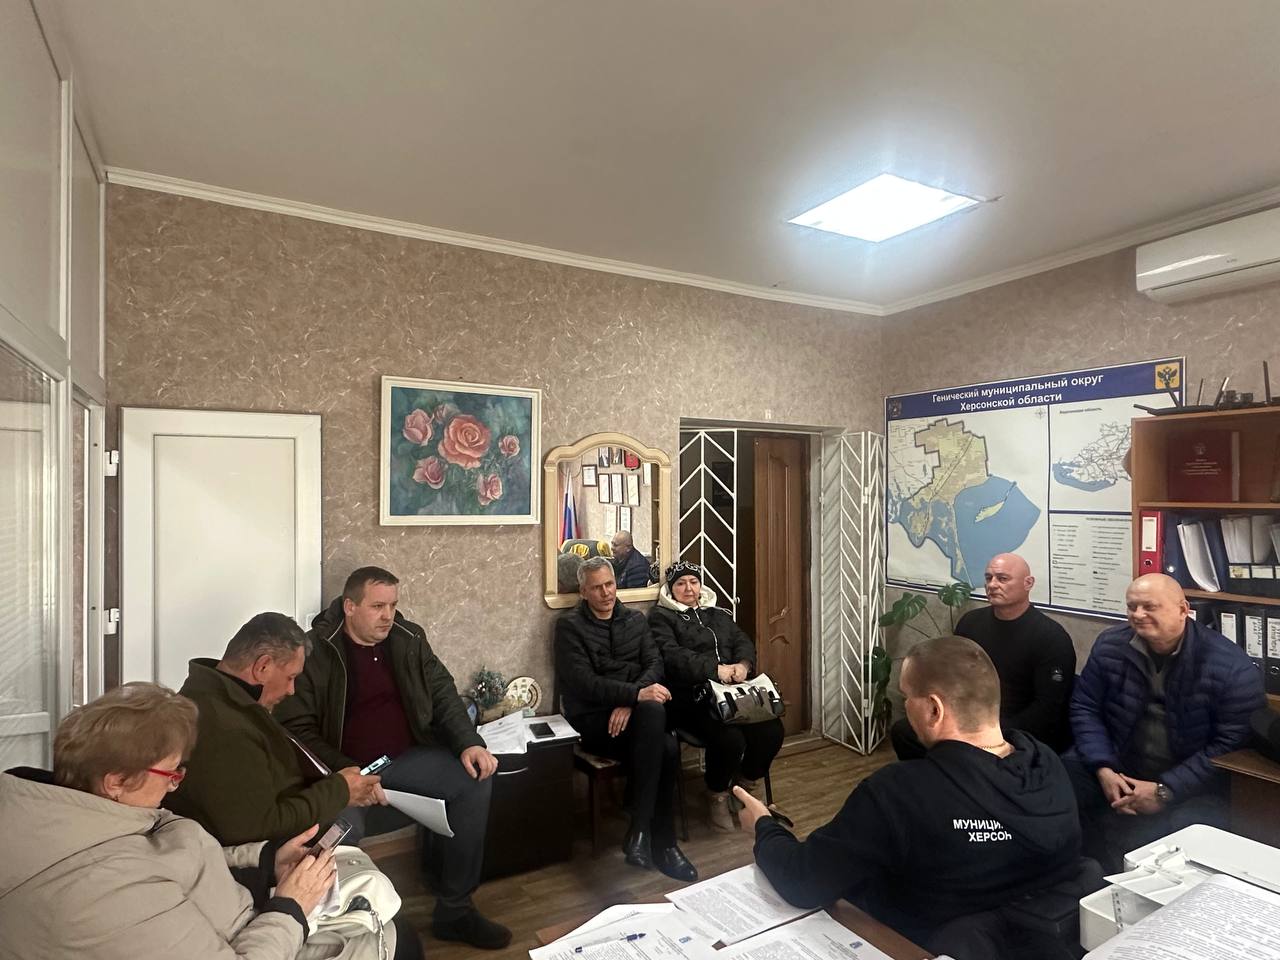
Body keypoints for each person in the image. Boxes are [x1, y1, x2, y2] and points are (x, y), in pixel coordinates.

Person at [0, 682, 423, 960]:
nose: (176, 786)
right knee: (398, 940)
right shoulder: (106, 893)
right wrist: (291, 906)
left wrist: (266, 860)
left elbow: (173, 858)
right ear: (117, 781)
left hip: (242, 915)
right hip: (252, 937)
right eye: (171, 773)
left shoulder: (70, 813)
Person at [737, 636, 1080, 957]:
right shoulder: (1047, 764)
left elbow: (802, 881)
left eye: (906, 698)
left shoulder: (897, 793)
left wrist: (764, 827)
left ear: (934, 709)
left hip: (906, 944)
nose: (905, 708)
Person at [275, 566, 511, 951]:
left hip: (404, 759)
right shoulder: (317, 650)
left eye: (393, 605)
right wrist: (348, 773)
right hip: (344, 771)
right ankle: (342, 930)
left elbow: (442, 692)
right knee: (338, 832)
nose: (388, 615)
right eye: (377, 606)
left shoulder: (408, 637)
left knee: (472, 781)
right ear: (350, 606)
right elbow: (297, 728)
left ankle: (456, 910)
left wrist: (469, 742)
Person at [1065, 573, 1265, 868]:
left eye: (1149, 607)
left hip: (1190, 781)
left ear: (1183, 610)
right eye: (1131, 606)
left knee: (1184, 831)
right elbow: (1085, 707)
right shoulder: (1110, 645)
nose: (1137, 615)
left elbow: (1232, 744)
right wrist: (1103, 768)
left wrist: (1165, 790)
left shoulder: (1229, 666)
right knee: (1059, 783)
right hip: (1117, 764)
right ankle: (1082, 877)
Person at [164, 612, 386, 846]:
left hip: (285, 806)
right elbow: (256, 826)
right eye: (291, 677)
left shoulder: (216, 697)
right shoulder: (226, 727)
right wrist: (339, 791)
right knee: (348, 821)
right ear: (263, 666)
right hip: (265, 849)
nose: (291, 690)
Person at [554, 556, 697, 881]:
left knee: (661, 733)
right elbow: (583, 682)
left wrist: (631, 702)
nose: (606, 592)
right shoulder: (569, 627)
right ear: (583, 592)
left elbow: (655, 665)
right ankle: (660, 842)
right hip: (594, 722)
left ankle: (645, 834)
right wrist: (635, 695)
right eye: (597, 588)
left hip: (637, 718)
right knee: (666, 745)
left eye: (610, 584)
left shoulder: (635, 620)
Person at [891, 553, 1076, 760]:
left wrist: (991, 734)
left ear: (1028, 583)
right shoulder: (971, 622)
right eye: (989, 578)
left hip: (1014, 730)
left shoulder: (1051, 638)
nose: (993, 585)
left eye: (1003, 578)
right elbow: (951, 678)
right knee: (904, 732)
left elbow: (1047, 709)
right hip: (966, 718)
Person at [648, 559, 784, 831]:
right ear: (670, 589)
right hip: (691, 697)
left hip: (732, 694)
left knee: (772, 731)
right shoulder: (661, 618)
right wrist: (715, 670)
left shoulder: (717, 613)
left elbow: (741, 640)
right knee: (730, 739)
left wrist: (743, 665)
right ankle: (717, 793)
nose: (689, 588)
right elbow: (673, 656)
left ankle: (744, 786)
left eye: (694, 582)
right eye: (681, 583)